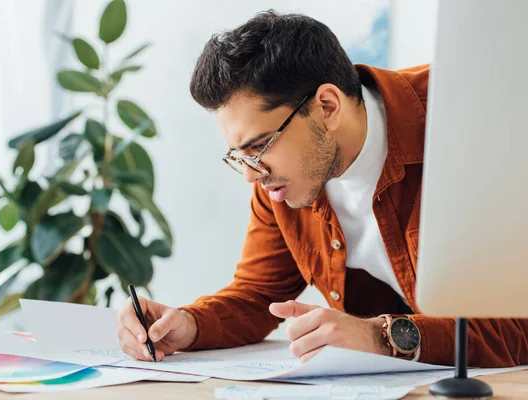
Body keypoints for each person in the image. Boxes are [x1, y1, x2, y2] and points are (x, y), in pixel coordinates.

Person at [117, 10, 528, 367]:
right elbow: (259, 294)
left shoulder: (473, 116)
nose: (250, 174)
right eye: (239, 155)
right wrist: (188, 324)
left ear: (327, 106)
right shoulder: (283, 180)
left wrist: (382, 339)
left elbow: (517, 323)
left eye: (259, 147)